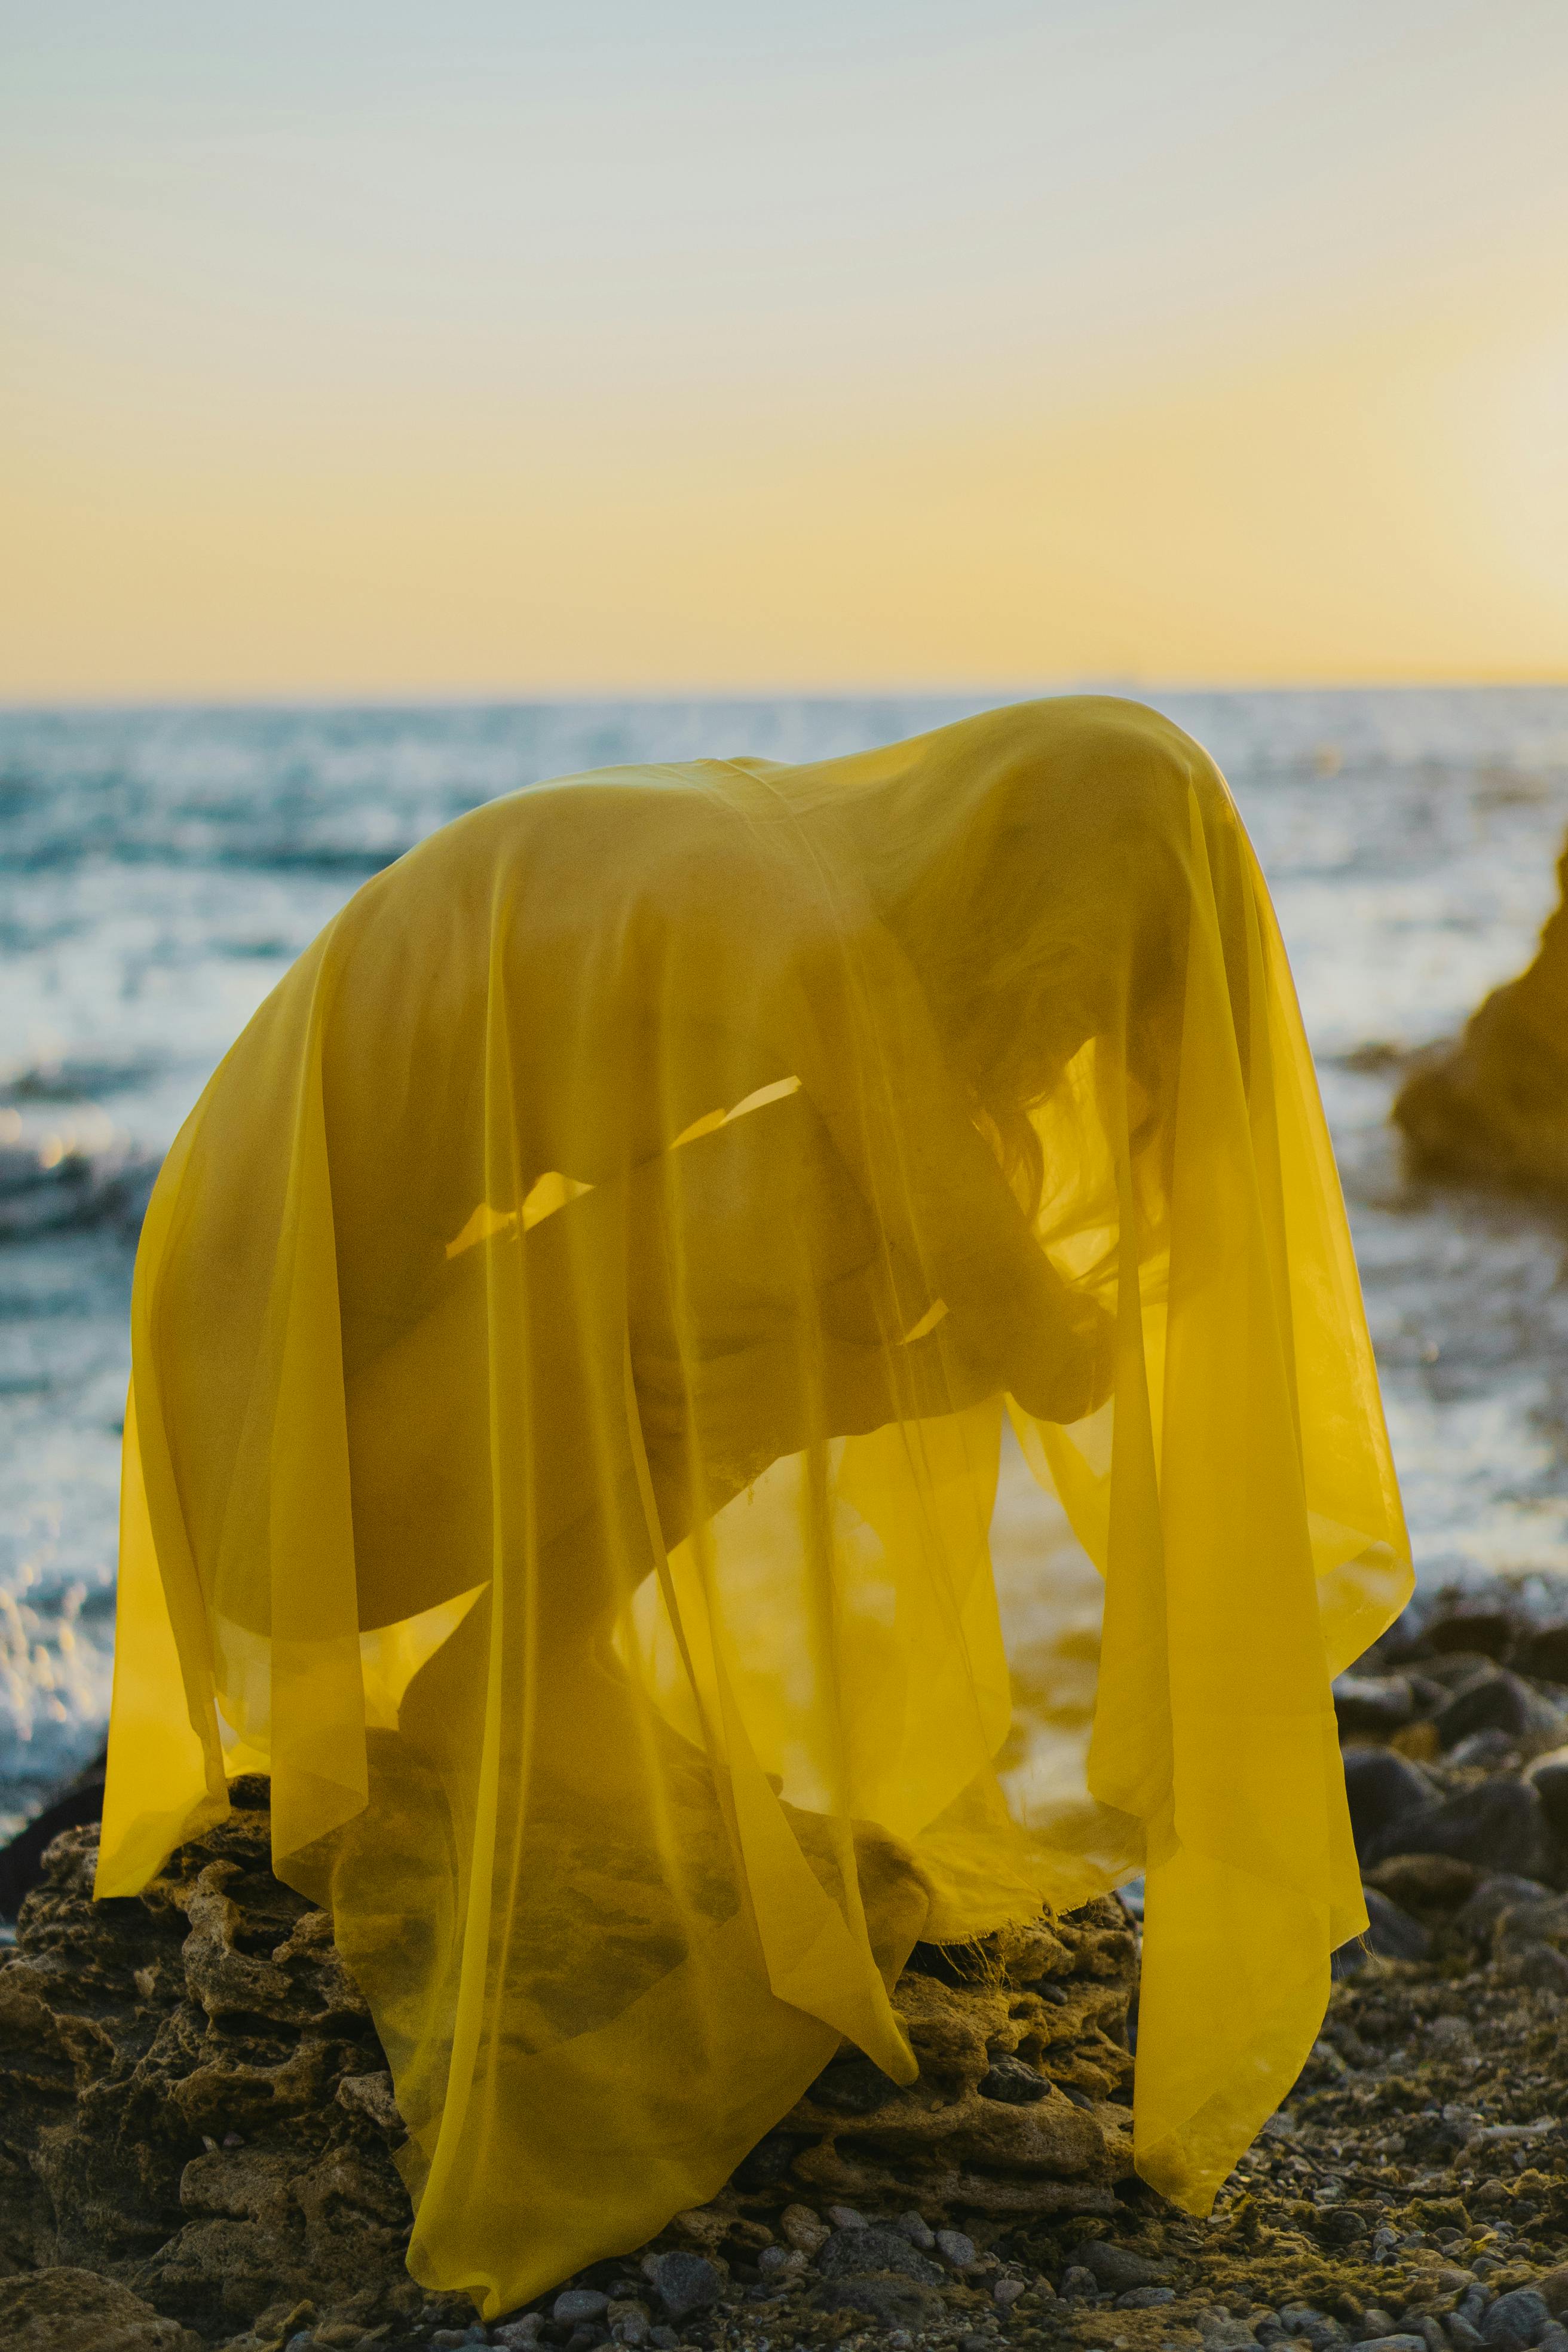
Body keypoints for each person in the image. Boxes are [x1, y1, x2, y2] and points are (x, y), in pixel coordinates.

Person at [95, 697, 1410, 2318]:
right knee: (817, 1216)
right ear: (1034, 905)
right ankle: (517, 1676)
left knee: (831, 1247)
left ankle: (525, 1661)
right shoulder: (814, 947)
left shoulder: (776, 874)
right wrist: (1174, 1252)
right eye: (1087, 994)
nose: (1073, 1044)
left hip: (306, 1425)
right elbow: (1033, 1338)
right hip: (282, 1463)